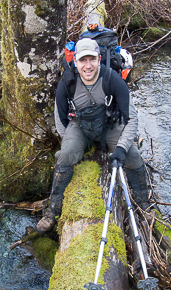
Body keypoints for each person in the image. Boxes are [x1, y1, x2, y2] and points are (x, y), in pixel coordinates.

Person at [36, 38, 150, 233]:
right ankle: (52, 211)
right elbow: (60, 118)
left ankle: (144, 204)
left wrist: (121, 148)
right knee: (65, 155)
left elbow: (131, 119)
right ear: (76, 62)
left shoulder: (112, 79)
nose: (87, 66)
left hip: (110, 126)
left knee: (132, 155)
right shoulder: (67, 82)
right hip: (80, 126)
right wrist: (71, 144)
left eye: (92, 60)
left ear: (99, 59)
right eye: (82, 60)